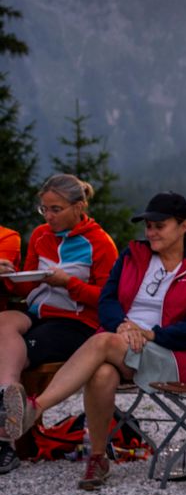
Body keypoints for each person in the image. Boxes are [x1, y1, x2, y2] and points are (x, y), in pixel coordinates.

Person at [19, 194, 186, 491]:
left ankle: (34, 408)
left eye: (159, 226)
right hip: (125, 346)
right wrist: (125, 326)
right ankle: (97, 458)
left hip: (172, 356)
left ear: (183, 226)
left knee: (102, 344)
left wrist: (152, 334)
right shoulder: (133, 256)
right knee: (102, 373)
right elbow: (107, 300)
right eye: (148, 226)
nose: (150, 233)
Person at [0, 175, 120, 454]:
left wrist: (70, 284)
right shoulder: (41, 236)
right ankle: (7, 395)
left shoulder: (100, 243)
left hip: (76, 322)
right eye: (44, 209)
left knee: (13, 348)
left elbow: (108, 299)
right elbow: (28, 285)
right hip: (38, 313)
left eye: (56, 209)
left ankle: (6, 437)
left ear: (79, 207)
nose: (49, 216)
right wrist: (9, 275)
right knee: (4, 322)